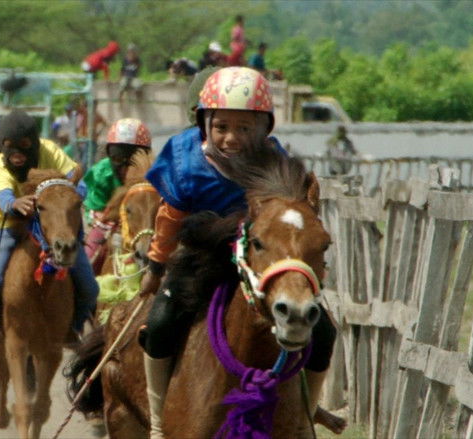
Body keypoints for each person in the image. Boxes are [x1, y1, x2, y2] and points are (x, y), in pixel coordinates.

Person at [137, 67, 336, 438]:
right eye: (222, 126)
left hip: (260, 263)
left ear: (264, 130)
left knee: (323, 332)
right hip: (201, 262)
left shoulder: (277, 164)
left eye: (245, 129)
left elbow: (291, 218)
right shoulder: (184, 160)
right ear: (204, 123)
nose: (232, 138)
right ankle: (158, 422)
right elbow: (169, 218)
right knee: (162, 323)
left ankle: (304, 418)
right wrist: (156, 265)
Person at [0, 109, 98, 342]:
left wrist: (69, 195)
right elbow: (3, 196)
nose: (17, 154)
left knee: (90, 288)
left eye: (24, 145)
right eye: (8, 145)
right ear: (1, 144)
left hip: (54, 222)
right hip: (12, 226)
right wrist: (15, 203)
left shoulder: (50, 151)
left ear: (34, 142)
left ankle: (73, 329)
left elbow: (77, 178)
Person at [77, 118, 152, 271]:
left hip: (144, 224)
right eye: (117, 159)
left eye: (131, 160)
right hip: (106, 219)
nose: (124, 167)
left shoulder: (155, 173)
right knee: (89, 258)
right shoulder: (101, 173)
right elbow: (98, 209)